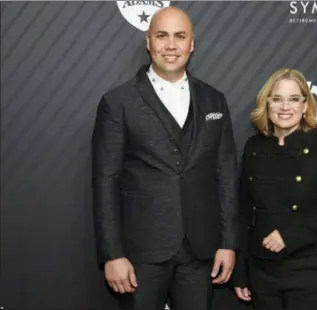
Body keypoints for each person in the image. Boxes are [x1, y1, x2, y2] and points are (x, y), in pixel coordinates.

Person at [92, 7, 239, 310]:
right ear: (149, 42)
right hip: (140, 255)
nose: (171, 46)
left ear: (191, 44)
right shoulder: (118, 102)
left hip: (201, 253)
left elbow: (225, 175)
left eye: (179, 37)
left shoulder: (215, 100)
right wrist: (112, 254)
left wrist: (228, 242)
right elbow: (106, 181)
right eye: (162, 36)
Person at [231, 68, 317, 310]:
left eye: (293, 99)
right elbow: (244, 213)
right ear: (267, 104)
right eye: (277, 99)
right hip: (262, 272)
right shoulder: (254, 147)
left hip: (307, 269)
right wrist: (241, 270)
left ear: (305, 106)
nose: (284, 107)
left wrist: (289, 235)